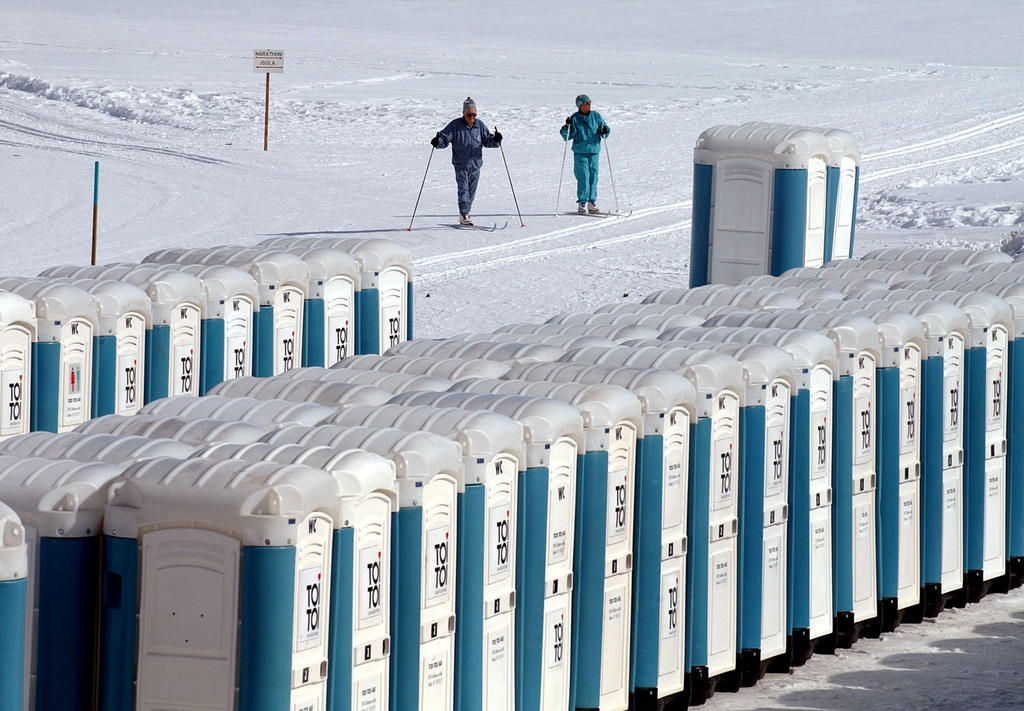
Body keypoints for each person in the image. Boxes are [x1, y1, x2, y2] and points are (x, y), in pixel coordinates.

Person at [431, 97, 502, 226]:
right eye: (469, 114)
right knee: (463, 189)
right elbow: (444, 139)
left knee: (471, 191)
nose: (472, 117)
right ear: (464, 113)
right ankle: (464, 214)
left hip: (475, 164)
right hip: (461, 164)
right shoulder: (455, 125)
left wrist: (496, 139)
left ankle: (466, 212)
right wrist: (437, 142)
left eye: (474, 114)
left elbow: (487, 140)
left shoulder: (479, 125)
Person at [559, 94, 610, 214]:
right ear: (579, 105)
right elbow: (566, 136)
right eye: (587, 103)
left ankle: (592, 202)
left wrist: (604, 131)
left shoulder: (596, 116)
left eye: (590, 102)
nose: (589, 105)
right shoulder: (575, 118)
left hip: (594, 151)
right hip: (580, 152)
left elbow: (605, 128)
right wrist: (567, 126)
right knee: (583, 176)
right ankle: (582, 203)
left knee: (593, 176)